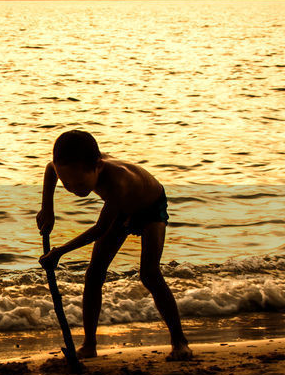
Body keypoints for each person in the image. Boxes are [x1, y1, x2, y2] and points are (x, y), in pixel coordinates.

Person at [37, 129, 192, 360]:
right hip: (119, 210)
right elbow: (51, 169)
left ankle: (180, 342)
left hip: (150, 207)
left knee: (149, 274)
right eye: (66, 183)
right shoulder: (67, 168)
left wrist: (59, 252)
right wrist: (47, 208)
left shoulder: (118, 181)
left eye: (78, 182)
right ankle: (89, 345)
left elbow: (100, 229)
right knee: (93, 275)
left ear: (98, 166)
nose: (72, 188)